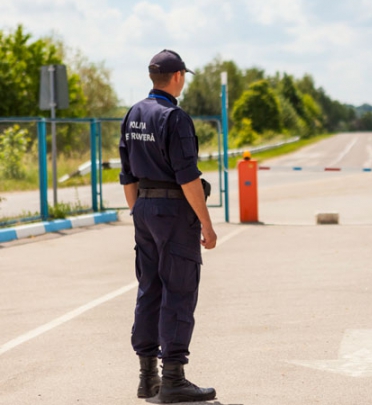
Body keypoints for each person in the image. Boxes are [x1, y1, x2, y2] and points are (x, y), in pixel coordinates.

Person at [119, 49, 218, 403]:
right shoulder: (174, 118)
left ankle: (148, 377)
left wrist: (140, 214)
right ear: (177, 77)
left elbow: (127, 175)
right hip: (174, 212)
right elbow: (188, 177)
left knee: (150, 288)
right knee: (179, 289)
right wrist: (206, 224)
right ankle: (173, 378)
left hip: (143, 207)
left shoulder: (133, 114)